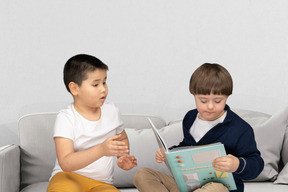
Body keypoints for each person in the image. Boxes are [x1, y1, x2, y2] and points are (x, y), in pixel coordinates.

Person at [133, 63, 264, 192]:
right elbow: (186, 147)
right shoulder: (190, 118)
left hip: (220, 188)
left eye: (217, 101)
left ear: (227, 97)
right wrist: (168, 153)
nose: (210, 106)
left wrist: (237, 165)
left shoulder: (240, 128)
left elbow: (256, 163)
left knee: (215, 188)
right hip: (188, 185)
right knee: (143, 175)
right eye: (203, 101)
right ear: (194, 95)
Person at [47, 54, 137, 192]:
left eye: (104, 82)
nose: (103, 89)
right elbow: (65, 162)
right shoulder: (66, 118)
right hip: (68, 177)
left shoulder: (111, 110)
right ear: (75, 89)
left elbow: (122, 137)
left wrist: (123, 156)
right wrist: (101, 150)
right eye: (95, 84)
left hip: (101, 183)